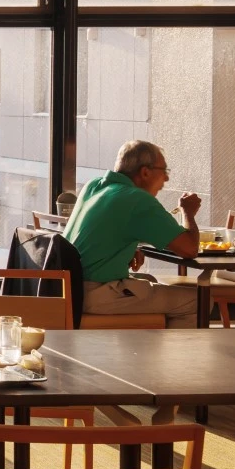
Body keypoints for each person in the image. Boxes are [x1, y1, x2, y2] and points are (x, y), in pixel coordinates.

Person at [63, 139, 201, 329]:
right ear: (145, 172)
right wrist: (188, 213)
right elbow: (190, 249)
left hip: (71, 288)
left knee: (150, 281)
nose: (166, 180)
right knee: (199, 301)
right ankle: (172, 358)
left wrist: (126, 249)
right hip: (95, 294)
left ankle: (144, 352)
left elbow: (104, 231)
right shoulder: (136, 199)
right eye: (164, 171)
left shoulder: (94, 186)